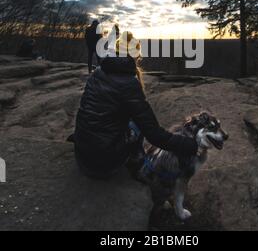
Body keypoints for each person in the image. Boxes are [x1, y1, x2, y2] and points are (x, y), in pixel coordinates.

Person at [74, 31, 198, 179]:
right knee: (136, 125)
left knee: (128, 119)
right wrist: (191, 145)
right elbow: (154, 134)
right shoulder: (129, 83)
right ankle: (137, 162)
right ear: (135, 55)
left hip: (82, 156)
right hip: (105, 164)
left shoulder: (97, 72)